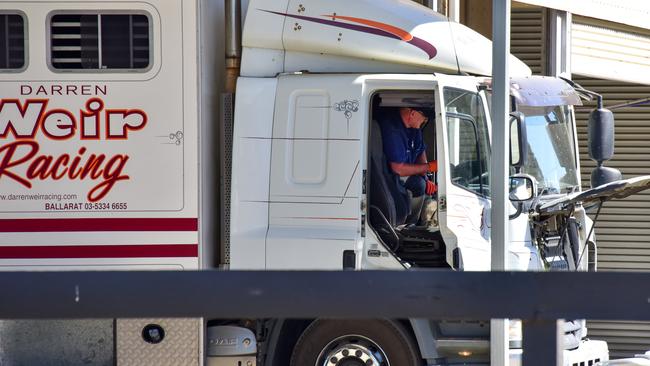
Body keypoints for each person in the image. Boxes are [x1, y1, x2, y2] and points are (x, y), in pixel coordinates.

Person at [379, 106, 437, 224]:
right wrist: (429, 167)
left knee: (428, 184)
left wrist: (426, 177)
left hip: (407, 172)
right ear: (413, 114)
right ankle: (410, 224)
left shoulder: (415, 129)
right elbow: (398, 169)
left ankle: (427, 218)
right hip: (392, 176)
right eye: (424, 118)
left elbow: (420, 152)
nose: (424, 121)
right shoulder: (392, 128)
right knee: (419, 185)